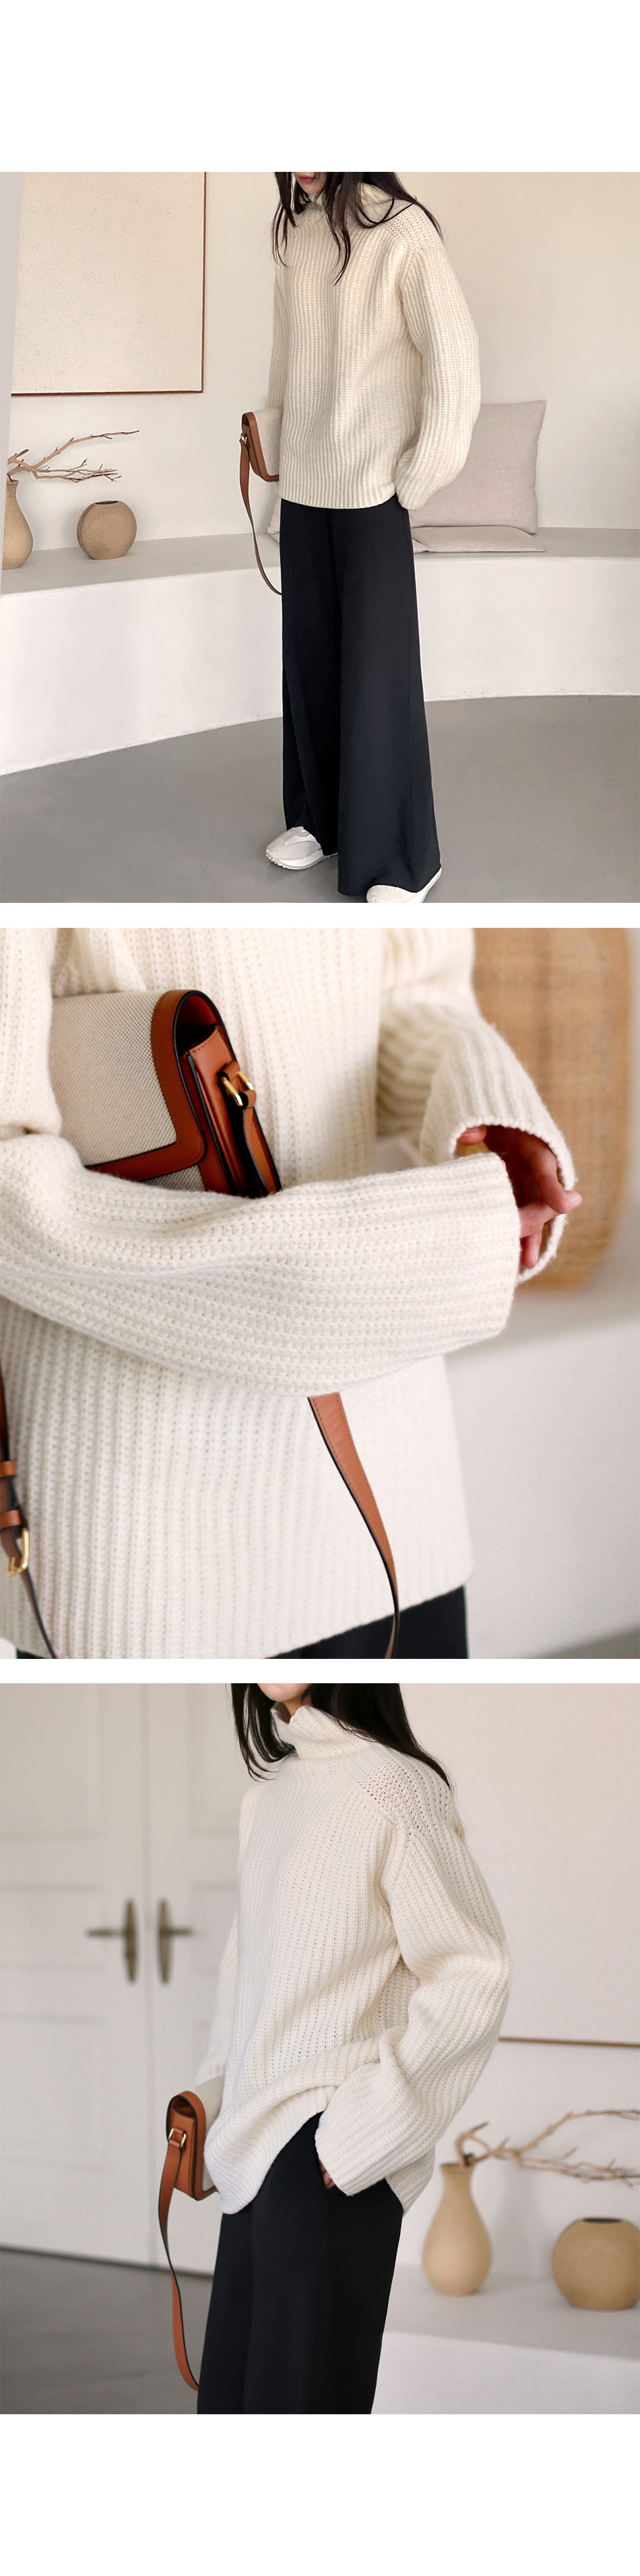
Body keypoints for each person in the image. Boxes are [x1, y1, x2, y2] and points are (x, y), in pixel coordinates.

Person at [0, 923, 580, 1659]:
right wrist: (418, 1247)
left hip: (395, 1459)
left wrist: (483, 1104)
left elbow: (413, 989)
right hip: (153, 1524)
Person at [194, 1682, 511, 2414]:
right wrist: (214, 2096)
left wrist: (357, 2135)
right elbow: (246, 1971)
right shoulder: (268, 1796)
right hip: (251, 2150)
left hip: (326, 2158)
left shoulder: (396, 1788)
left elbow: (472, 1968)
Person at [262, 172, 480, 904]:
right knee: (310, 664)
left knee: (377, 676)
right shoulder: (297, 232)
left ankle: (401, 859)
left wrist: (415, 478)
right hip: (304, 486)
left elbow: (455, 363)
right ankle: (319, 820)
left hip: (373, 491)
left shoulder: (402, 230)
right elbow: (286, 364)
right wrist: (277, 470)